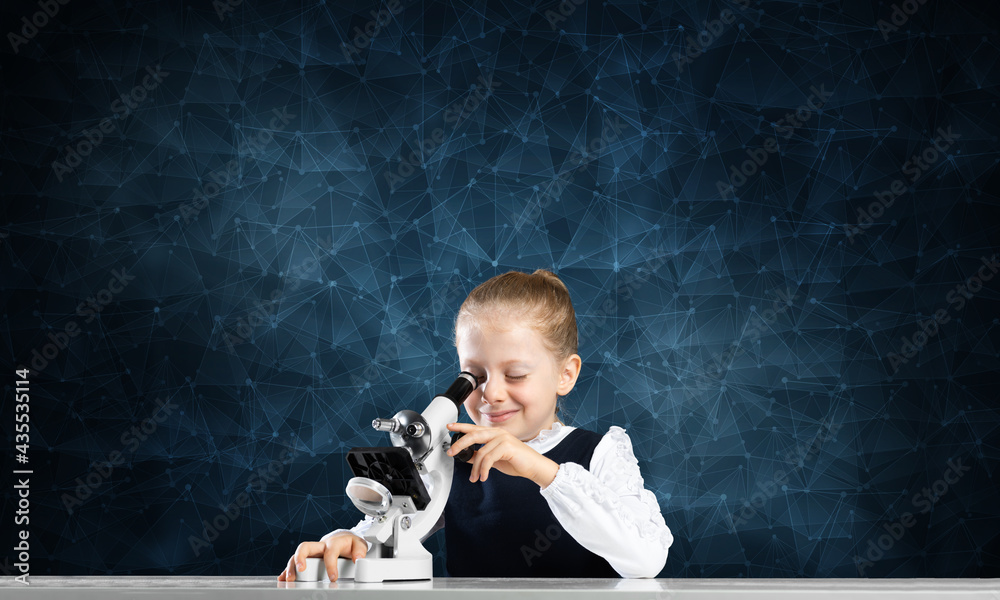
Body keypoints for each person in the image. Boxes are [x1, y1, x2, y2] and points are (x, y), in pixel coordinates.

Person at [278, 269, 673, 581]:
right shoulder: (451, 460)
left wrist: (540, 470)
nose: (492, 394)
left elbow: (645, 559)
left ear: (565, 375)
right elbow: (396, 527)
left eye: (515, 374)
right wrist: (354, 542)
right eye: (474, 376)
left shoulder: (599, 453)